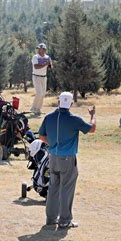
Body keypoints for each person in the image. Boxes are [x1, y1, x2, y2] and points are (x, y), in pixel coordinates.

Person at [38, 92, 96, 229]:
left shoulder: (49, 117)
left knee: (53, 188)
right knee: (66, 189)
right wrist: (93, 115)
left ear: (58, 102)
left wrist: (52, 145)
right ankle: (64, 220)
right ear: (70, 104)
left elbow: (41, 136)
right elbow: (92, 128)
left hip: (53, 157)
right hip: (68, 159)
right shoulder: (74, 119)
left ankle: (51, 219)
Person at [31, 43, 53, 116]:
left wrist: (50, 64)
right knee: (39, 93)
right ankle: (33, 109)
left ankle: (38, 109)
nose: (38, 50)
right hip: (36, 76)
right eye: (38, 49)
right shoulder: (35, 57)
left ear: (43, 49)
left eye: (40, 49)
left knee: (43, 94)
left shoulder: (47, 57)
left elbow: (50, 67)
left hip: (44, 77)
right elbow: (36, 67)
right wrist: (45, 64)